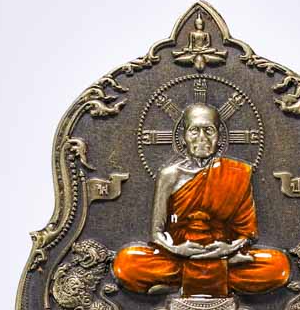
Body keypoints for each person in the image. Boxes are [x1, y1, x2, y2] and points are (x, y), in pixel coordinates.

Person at [113, 103, 290, 297]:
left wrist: (229, 247)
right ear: (183, 137)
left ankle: (183, 281)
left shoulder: (237, 172)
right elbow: (157, 233)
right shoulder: (169, 175)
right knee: (126, 263)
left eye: (209, 131)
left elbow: (248, 234)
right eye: (194, 131)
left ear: (219, 137)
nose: (202, 138)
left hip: (223, 252)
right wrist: (177, 250)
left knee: (279, 266)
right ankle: (215, 276)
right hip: (180, 255)